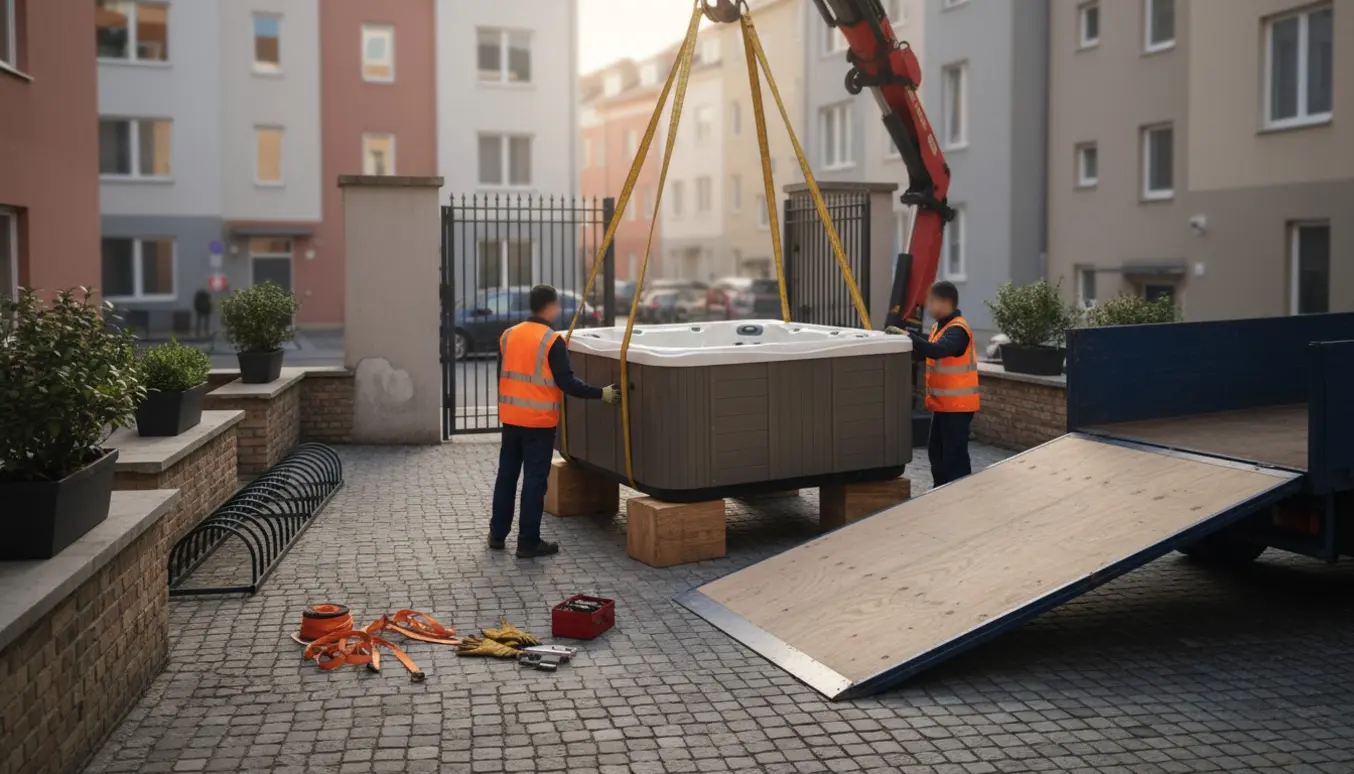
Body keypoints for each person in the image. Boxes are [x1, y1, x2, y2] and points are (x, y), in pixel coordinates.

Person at [491, 285, 619, 558]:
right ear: (549, 306)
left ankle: (497, 535)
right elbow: (568, 384)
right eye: (557, 305)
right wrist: (602, 393)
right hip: (538, 424)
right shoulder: (551, 342)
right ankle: (528, 543)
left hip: (511, 419)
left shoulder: (508, 335)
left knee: (507, 477)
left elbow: (502, 376)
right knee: (534, 482)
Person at [886, 281, 979, 488]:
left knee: (954, 458)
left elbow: (937, 350)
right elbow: (928, 350)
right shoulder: (940, 327)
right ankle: (940, 495)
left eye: (931, 301)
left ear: (945, 302)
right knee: (937, 455)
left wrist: (909, 336)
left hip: (957, 406)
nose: (928, 306)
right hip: (943, 405)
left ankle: (960, 497)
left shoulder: (958, 330)